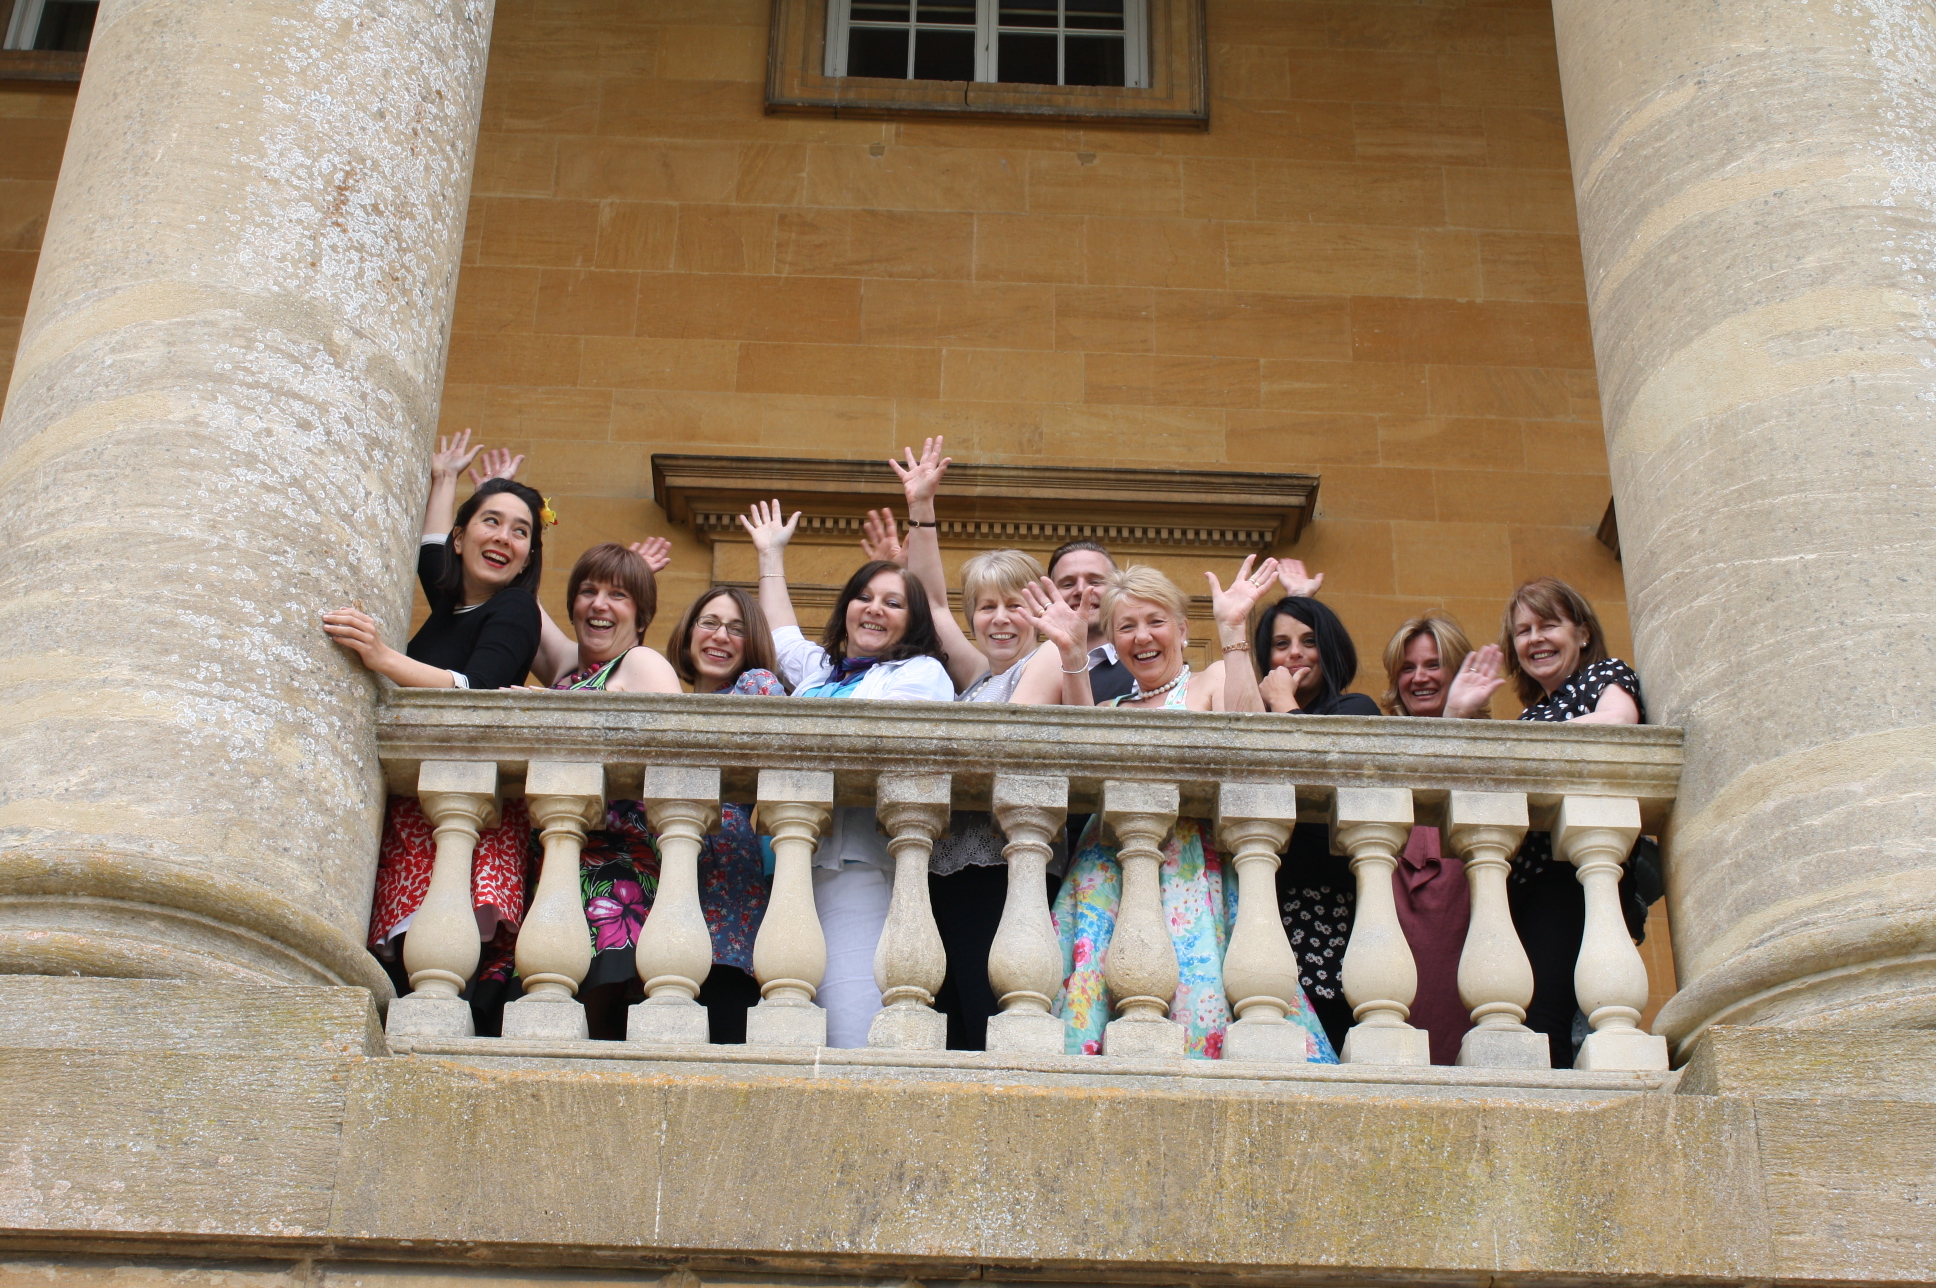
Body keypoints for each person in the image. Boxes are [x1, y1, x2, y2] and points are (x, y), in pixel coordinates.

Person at [1025, 560, 1336, 1061]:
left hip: (1189, 870)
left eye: (1155, 621)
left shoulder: (1210, 681)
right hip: (1109, 873)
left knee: (1195, 1013)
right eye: (1126, 626)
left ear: (1183, 629)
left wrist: (1234, 631)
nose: (1142, 636)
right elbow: (1082, 752)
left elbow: (1249, 738)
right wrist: (1071, 653)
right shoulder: (1111, 711)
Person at [859, 438, 1088, 1048]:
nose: (999, 619)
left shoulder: (1038, 662)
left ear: (1037, 611)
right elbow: (931, 602)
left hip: (1002, 867)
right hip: (943, 865)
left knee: (990, 1017)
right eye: (986, 607)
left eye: (1014, 605)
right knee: (955, 1015)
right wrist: (923, 509)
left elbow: (1007, 751)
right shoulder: (978, 676)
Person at [324, 430, 549, 1032]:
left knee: (448, 975)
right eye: (491, 522)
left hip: (468, 816)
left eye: (520, 531)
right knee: (405, 969)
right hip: (422, 810)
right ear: (462, 535)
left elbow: (478, 690)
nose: (503, 537)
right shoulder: (452, 605)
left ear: (529, 556)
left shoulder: (515, 610)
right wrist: (446, 478)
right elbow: (430, 550)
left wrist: (383, 659)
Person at [741, 499, 956, 1048]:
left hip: (858, 865)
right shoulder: (824, 674)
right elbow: (784, 638)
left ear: (914, 620)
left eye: (892, 602)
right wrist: (771, 557)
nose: (873, 609)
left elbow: (880, 747)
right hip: (793, 864)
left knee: (850, 1027)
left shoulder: (920, 672)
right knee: (789, 1028)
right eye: (863, 596)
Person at [1453, 576, 1649, 1067]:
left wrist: (1524, 747)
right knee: (1531, 1013)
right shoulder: (1530, 718)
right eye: (1523, 631)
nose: (1535, 638)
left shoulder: (1603, 674)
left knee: (1552, 1022)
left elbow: (1618, 722)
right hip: (1523, 882)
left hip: (1571, 876)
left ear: (1582, 633)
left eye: (1549, 625)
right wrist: (1463, 714)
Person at [529, 543, 682, 1038]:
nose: (599, 604)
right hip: (558, 865)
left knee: (592, 1022)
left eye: (618, 596)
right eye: (588, 591)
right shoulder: (571, 673)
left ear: (641, 617)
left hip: (616, 875)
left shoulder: (639, 663)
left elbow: (682, 751)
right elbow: (517, 599)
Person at [661, 585, 789, 1043]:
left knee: (722, 1025)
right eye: (709, 623)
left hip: (726, 886)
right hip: (664, 876)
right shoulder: (661, 695)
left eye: (736, 629)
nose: (720, 636)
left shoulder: (753, 684)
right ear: (688, 631)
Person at [1371, 615, 1499, 1064]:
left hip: (1465, 904)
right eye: (1407, 668)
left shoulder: (1495, 740)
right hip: (1390, 907)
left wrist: (1457, 718)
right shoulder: (1375, 739)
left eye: (1433, 664)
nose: (1420, 677)